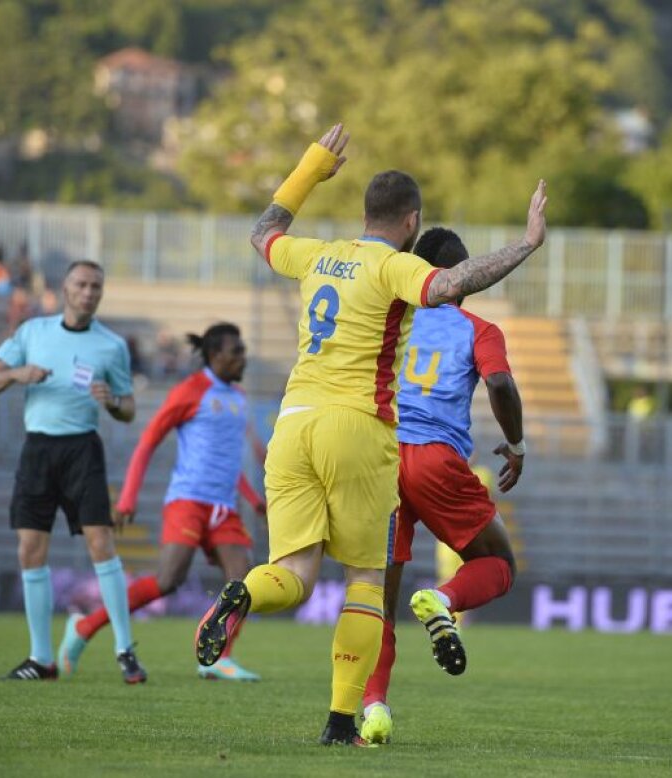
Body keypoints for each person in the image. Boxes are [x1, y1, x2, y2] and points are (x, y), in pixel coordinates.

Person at [193, 122, 547, 747]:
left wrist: (309, 168)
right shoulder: (395, 268)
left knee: (295, 574)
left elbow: (262, 234)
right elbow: (455, 285)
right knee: (364, 582)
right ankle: (339, 724)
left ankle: (243, 594)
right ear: (412, 221)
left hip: (292, 426)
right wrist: (525, 244)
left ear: (364, 212)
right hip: (360, 432)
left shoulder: (316, 254)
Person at [358, 227, 527, 745]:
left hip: (379, 456)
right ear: (464, 278)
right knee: (499, 564)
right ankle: (442, 598)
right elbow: (498, 383)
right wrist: (516, 446)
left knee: (376, 603)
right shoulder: (478, 329)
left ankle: (374, 712)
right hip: (435, 459)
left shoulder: (391, 317)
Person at [57, 322, 268, 682]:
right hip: (187, 500)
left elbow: (227, 461)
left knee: (242, 582)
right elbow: (147, 442)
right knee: (168, 579)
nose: (242, 358)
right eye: (236, 352)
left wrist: (254, 500)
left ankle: (217, 658)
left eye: (243, 351)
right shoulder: (189, 391)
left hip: (223, 508)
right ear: (215, 355)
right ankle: (84, 627)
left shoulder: (238, 398)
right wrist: (127, 498)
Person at [0, 260, 146, 683]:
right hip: (38, 448)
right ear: (65, 287)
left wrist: (111, 401)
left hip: (82, 449)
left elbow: (128, 409)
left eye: (96, 286)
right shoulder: (34, 332)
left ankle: (125, 649)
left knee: (101, 542)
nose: (88, 292)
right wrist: (19, 373)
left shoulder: (111, 345)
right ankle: (41, 659)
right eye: (81, 284)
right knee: (30, 550)